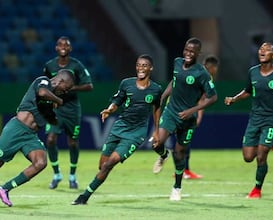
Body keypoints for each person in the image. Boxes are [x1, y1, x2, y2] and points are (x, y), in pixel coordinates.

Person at [0, 69, 75, 210]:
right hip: (15, 130)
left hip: (30, 136)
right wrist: (58, 100)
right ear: (61, 81)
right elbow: (42, 93)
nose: (66, 91)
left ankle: (4, 188)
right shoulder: (43, 81)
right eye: (67, 88)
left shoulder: (52, 99)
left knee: (41, 162)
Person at [71, 54, 162, 205]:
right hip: (119, 127)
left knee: (108, 164)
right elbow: (117, 100)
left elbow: (157, 108)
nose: (140, 68)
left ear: (151, 68)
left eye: (144, 65)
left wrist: (157, 130)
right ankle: (94, 186)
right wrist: (109, 109)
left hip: (136, 134)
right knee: (102, 166)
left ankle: (84, 197)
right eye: (138, 65)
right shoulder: (126, 84)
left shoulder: (156, 89)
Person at [224, 42, 273, 199]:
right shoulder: (252, 72)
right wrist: (234, 99)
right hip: (254, 119)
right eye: (261, 49)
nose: (263, 51)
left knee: (261, 155)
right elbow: (247, 91)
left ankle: (257, 189)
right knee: (248, 157)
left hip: (271, 119)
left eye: (267, 49)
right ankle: (270, 143)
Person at [152, 37, 218, 201]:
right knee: (158, 143)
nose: (188, 53)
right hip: (171, 112)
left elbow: (213, 97)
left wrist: (193, 110)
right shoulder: (176, 62)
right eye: (186, 50)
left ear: (198, 53)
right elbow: (173, 82)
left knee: (180, 153)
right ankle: (163, 155)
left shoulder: (201, 73)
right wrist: (164, 96)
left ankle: (177, 187)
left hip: (188, 119)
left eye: (192, 51)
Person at [43, 36, 93, 190]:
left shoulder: (76, 65)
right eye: (60, 44)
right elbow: (44, 85)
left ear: (70, 49)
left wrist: (71, 87)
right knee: (50, 140)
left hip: (72, 109)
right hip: (55, 109)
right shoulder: (49, 66)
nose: (63, 46)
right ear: (56, 48)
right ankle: (56, 174)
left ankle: (72, 176)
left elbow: (89, 85)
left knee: (72, 142)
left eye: (66, 45)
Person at [183, 55, 219, 179]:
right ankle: (185, 170)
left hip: (175, 107)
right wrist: (199, 116)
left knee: (180, 141)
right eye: (215, 68)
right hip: (186, 110)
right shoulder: (206, 76)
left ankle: (182, 169)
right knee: (184, 141)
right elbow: (203, 99)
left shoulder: (195, 70)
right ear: (212, 67)